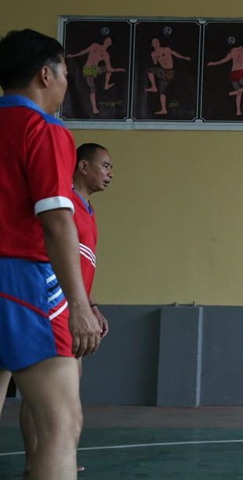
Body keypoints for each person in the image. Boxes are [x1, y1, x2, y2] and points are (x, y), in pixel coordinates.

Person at [0, 28, 102, 480]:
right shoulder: (43, 129)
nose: (66, 83)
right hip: (23, 284)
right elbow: (58, 221)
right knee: (60, 425)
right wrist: (79, 305)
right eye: (65, 73)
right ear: (46, 74)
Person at [17, 142, 114, 476]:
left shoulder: (88, 209)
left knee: (68, 388)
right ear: (83, 167)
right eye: (104, 165)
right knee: (42, 392)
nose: (110, 173)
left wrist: (91, 305)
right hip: (48, 307)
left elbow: (79, 267)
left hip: (74, 310)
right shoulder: (64, 204)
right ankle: (35, 462)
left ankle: (55, 456)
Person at [65, 37, 126, 115]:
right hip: (88, 70)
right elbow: (83, 52)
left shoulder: (106, 55)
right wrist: (72, 55)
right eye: (107, 38)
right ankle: (94, 108)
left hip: (95, 69)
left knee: (107, 69)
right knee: (92, 89)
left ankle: (106, 84)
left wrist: (120, 69)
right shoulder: (95, 45)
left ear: (110, 43)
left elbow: (109, 68)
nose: (107, 39)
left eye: (109, 40)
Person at [206, 40, 243, 116]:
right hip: (240, 73)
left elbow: (223, 60)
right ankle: (234, 92)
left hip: (232, 74)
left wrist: (213, 63)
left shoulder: (233, 50)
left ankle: (238, 111)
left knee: (239, 93)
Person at [145, 38, 191, 115]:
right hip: (163, 71)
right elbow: (155, 63)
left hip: (169, 72)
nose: (156, 44)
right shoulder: (153, 53)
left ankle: (155, 89)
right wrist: (155, 58)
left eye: (157, 42)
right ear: (152, 45)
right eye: (154, 43)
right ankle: (163, 109)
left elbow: (175, 54)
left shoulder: (166, 49)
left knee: (161, 88)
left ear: (159, 43)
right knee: (151, 72)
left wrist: (185, 57)